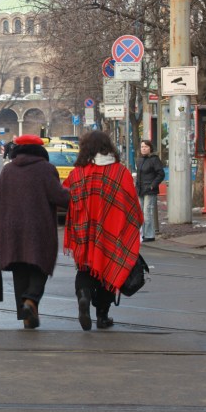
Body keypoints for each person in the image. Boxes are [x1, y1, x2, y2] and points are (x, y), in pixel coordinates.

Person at [0, 134, 69, 329]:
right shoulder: (46, 169)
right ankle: (31, 300)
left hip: (10, 228)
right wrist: (77, 197)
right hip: (39, 227)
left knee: (20, 270)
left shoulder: (8, 171)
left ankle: (27, 317)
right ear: (40, 150)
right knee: (41, 266)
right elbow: (58, 196)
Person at [63, 131, 143, 331]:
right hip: (112, 232)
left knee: (85, 269)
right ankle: (102, 315)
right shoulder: (120, 172)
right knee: (109, 271)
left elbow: (66, 197)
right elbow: (132, 204)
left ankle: (84, 295)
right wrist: (134, 224)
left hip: (85, 233)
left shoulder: (78, 173)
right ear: (108, 147)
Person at [135, 139, 165, 242]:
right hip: (140, 190)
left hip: (150, 190)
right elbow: (138, 175)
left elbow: (161, 174)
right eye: (142, 147)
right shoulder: (139, 160)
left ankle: (149, 235)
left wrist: (153, 185)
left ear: (150, 148)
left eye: (146, 147)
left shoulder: (154, 159)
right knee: (140, 213)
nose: (143, 149)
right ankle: (143, 234)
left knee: (147, 213)